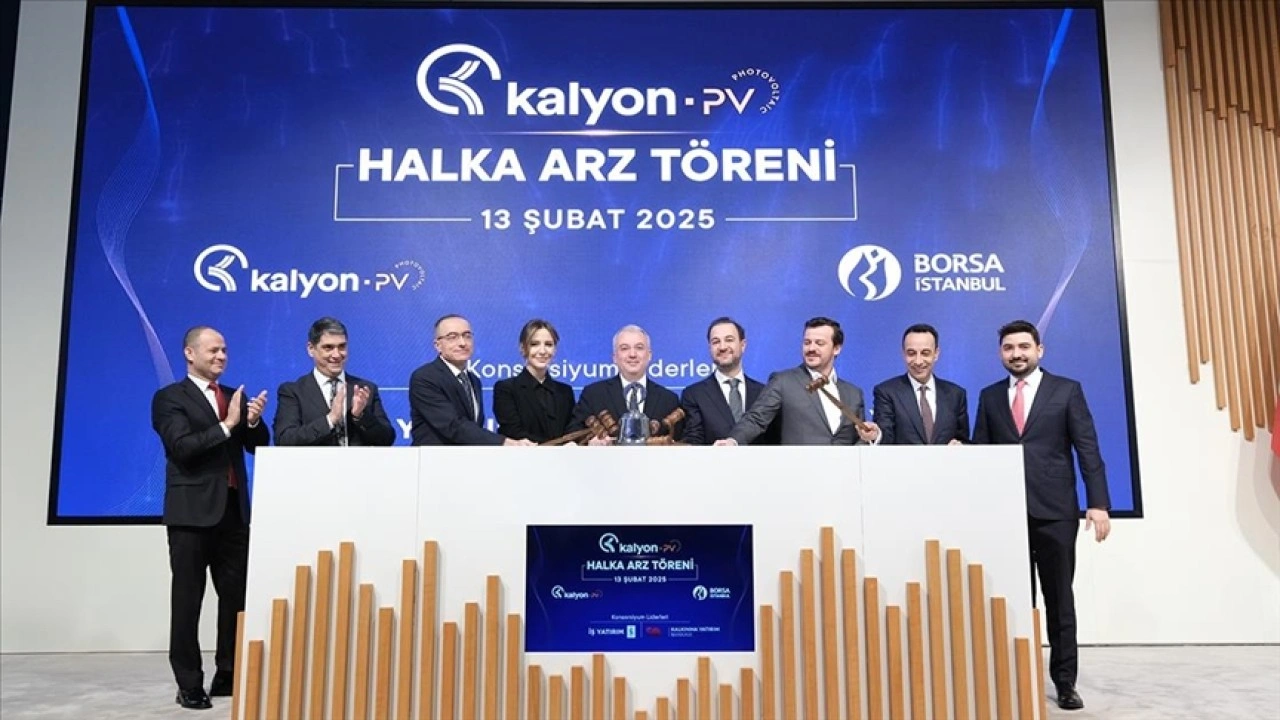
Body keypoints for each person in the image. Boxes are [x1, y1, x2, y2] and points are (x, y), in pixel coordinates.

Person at [972, 319, 1110, 711]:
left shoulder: (1066, 390)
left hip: (1055, 513)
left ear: (1039, 350)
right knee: (1014, 600)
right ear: (1000, 353)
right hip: (1006, 515)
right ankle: (1014, 677)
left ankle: (1065, 683)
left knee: (1059, 600)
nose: (1016, 354)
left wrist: (1098, 503)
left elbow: (1088, 448)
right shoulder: (989, 396)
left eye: (1023, 347)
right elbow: (981, 454)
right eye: (1008, 348)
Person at [151, 326, 269, 710]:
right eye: (213, 350)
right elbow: (182, 447)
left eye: (224, 350)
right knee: (188, 601)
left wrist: (252, 422)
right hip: (191, 515)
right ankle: (188, 683)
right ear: (190, 353)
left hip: (233, 513)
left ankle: (228, 673)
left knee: (236, 598)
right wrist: (227, 425)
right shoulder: (170, 398)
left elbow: (257, 446)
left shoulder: (234, 396)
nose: (221, 356)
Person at [717, 317, 880, 446]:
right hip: (798, 473)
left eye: (819, 343)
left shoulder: (853, 393)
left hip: (843, 475)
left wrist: (871, 437)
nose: (811, 348)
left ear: (836, 348)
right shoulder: (783, 381)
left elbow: (860, 439)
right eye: (807, 342)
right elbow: (756, 418)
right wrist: (733, 441)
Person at [409, 314, 534, 446]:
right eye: (452, 337)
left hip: (469, 457)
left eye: (467, 336)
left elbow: (474, 427)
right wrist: (504, 442)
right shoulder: (425, 377)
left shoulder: (473, 380)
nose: (462, 343)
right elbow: (452, 425)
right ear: (437, 345)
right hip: (434, 457)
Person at [273, 317, 396, 447]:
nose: (337, 355)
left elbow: (387, 439)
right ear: (311, 349)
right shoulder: (293, 391)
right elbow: (284, 439)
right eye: (328, 348)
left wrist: (360, 416)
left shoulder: (365, 389)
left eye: (342, 347)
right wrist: (329, 420)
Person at [568, 324, 682, 439]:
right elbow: (574, 435)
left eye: (639, 348)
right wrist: (591, 443)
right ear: (614, 357)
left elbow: (680, 443)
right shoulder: (593, 394)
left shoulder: (668, 399)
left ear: (649, 355)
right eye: (624, 348)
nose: (632, 354)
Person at [681, 317, 777, 445]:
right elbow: (694, 442)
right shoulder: (694, 394)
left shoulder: (764, 392)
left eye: (729, 340)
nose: (722, 347)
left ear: (743, 345)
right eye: (716, 342)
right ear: (710, 348)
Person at [872, 323, 969, 445]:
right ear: (903, 354)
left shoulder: (956, 395)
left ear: (936, 354)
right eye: (911, 353)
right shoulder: (887, 392)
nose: (918, 361)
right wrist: (876, 435)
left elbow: (964, 440)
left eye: (925, 353)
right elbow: (885, 438)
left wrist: (960, 446)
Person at [492, 319, 576, 443]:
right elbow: (513, 431)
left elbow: (571, 432)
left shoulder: (565, 392)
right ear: (523, 348)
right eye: (534, 344)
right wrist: (556, 447)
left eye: (548, 344)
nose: (542, 351)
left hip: (562, 455)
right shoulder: (506, 389)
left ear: (555, 349)